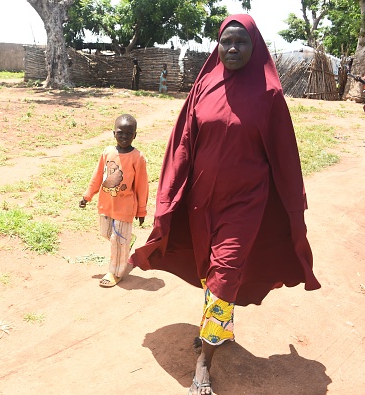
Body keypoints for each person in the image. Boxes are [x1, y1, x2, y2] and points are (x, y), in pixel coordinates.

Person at [128, 15, 321, 395]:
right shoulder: (204, 87)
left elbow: (284, 156)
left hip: (245, 205)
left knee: (226, 271)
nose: (232, 48)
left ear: (255, 47)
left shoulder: (269, 96)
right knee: (208, 269)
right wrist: (172, 194)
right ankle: (219, 323)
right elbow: (183, 142)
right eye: (226, 41)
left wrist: (293, 206)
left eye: (241, 42)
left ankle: (204, 363)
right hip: (202, 202)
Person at [80, 114, 149, 287]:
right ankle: (127, 240)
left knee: (117, 241)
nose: (124, 136)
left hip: (125, 208)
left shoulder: (137, 157)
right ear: (113, 133)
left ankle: (115, 272)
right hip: (106, 204)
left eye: (129, 133)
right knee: (106, 234)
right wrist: (87, 195)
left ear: (135, 135)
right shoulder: (107, 152)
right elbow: (97, 176)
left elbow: (142, 185)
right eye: (120, 132)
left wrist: (141, 210)